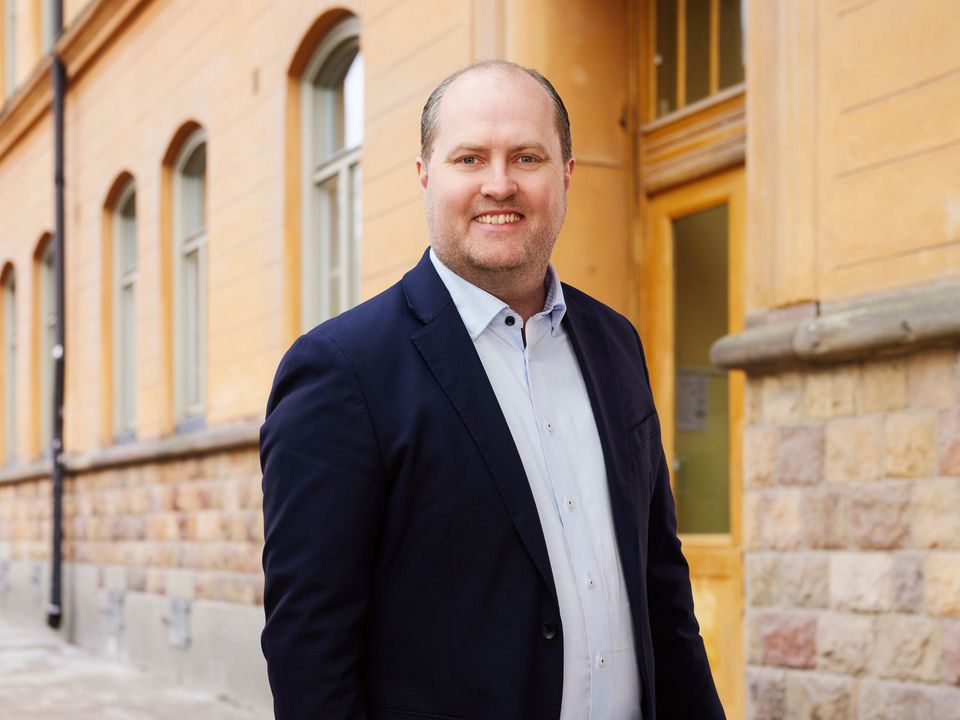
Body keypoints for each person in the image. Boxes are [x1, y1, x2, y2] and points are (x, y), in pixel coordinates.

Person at [259, 60, 725, 720]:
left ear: (565, 174)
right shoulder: (343, 372)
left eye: (527, 157)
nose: (499, 184)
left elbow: (660, 584)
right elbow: (310, 649)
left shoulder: (617, 343)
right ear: (426, 176)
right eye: (470, 158)